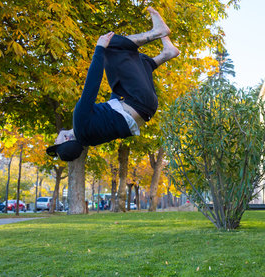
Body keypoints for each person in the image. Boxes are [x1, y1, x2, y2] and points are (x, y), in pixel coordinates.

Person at [46, 7, 180, 161]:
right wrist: (99, 49)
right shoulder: (79, 120)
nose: (55, 140)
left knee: (136, 63)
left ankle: (167, 53)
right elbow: (91, 86)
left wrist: (116, 83)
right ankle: (157, 31)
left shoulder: (91, 139)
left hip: (146, 107)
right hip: (138, 100)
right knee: (113, 45)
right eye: (57, 143)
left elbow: (114, 111)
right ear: (67, 139)